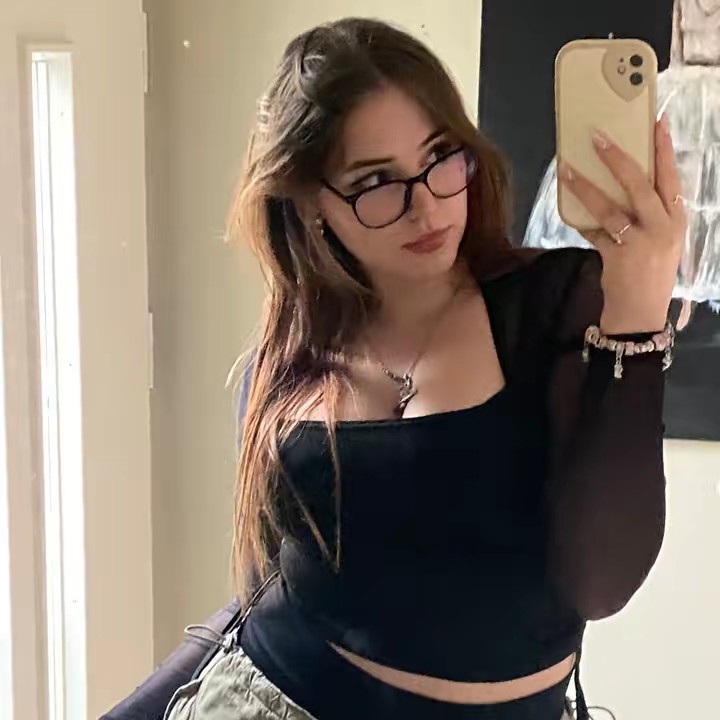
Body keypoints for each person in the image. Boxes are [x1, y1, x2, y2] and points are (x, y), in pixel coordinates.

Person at [163, 17, 686, 720]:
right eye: (376, 181)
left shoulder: (553, 305)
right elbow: (265, 595)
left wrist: (641, 304)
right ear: (313, 205)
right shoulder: (283, 362)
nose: (427, 205)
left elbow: (602, 584)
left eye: (440, 156)